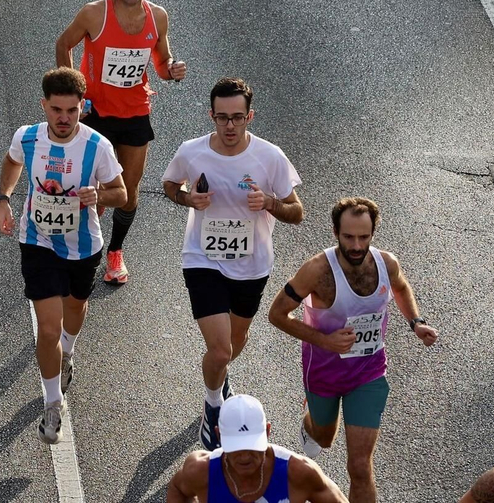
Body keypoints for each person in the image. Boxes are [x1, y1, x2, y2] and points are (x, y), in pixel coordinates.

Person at [266, 197, 439, 503]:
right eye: (349, 237)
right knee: (324, 437)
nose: (357, 245)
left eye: (364, 237)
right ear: (335, 232)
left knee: (360, 466)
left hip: (368, 373)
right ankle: (311, 420)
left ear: (373, 233)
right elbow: (277, 314)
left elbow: (400, 287)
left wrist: (416, 322)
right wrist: (325, 341)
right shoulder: (317, 270)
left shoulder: (386, 264)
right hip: (323, 373)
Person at [163, 77, 303, 449]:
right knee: (221, 349)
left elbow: (297, 212)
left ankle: (217, 376)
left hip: (252, 264)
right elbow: (170, 186)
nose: (229, 126)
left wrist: (269, 203)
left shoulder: (269, 157)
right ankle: (213, 409)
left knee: (236, 340)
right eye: (222, 117)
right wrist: (187, 199)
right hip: (202, 258)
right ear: (211, 115)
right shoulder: (192, 151)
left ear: (249, 117)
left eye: (237, 118)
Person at [0, 67, 124, 442]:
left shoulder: (97, 146)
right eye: (56, 110)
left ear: (82, 107)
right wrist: (3, 198)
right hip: (37, 239)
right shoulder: (28, 137)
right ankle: (53, 403)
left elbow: (123, 194)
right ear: (44, 106)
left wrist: (99, 195)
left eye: (71, 110)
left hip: (83, 244)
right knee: (47, 326)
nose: (64, 118)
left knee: (75, 308)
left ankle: (68, 350)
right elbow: (12, 161)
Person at [54, 0, 184, 285]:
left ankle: (115, 252)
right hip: (96, 111)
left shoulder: (158, 16)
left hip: (135, 112)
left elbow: (161, 62)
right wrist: (73, 94)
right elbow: (63, 44)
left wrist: (172, 69)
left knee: (127, 190)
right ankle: (84, 248)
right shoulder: (94, 14)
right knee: (90, 187)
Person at [166, 394, 346, 503]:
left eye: (252, 446)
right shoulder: (200, 470)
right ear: (219, 435)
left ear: (268, 432)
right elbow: (178, 490)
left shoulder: (299, 472)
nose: (244, 456)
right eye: (236, 447)